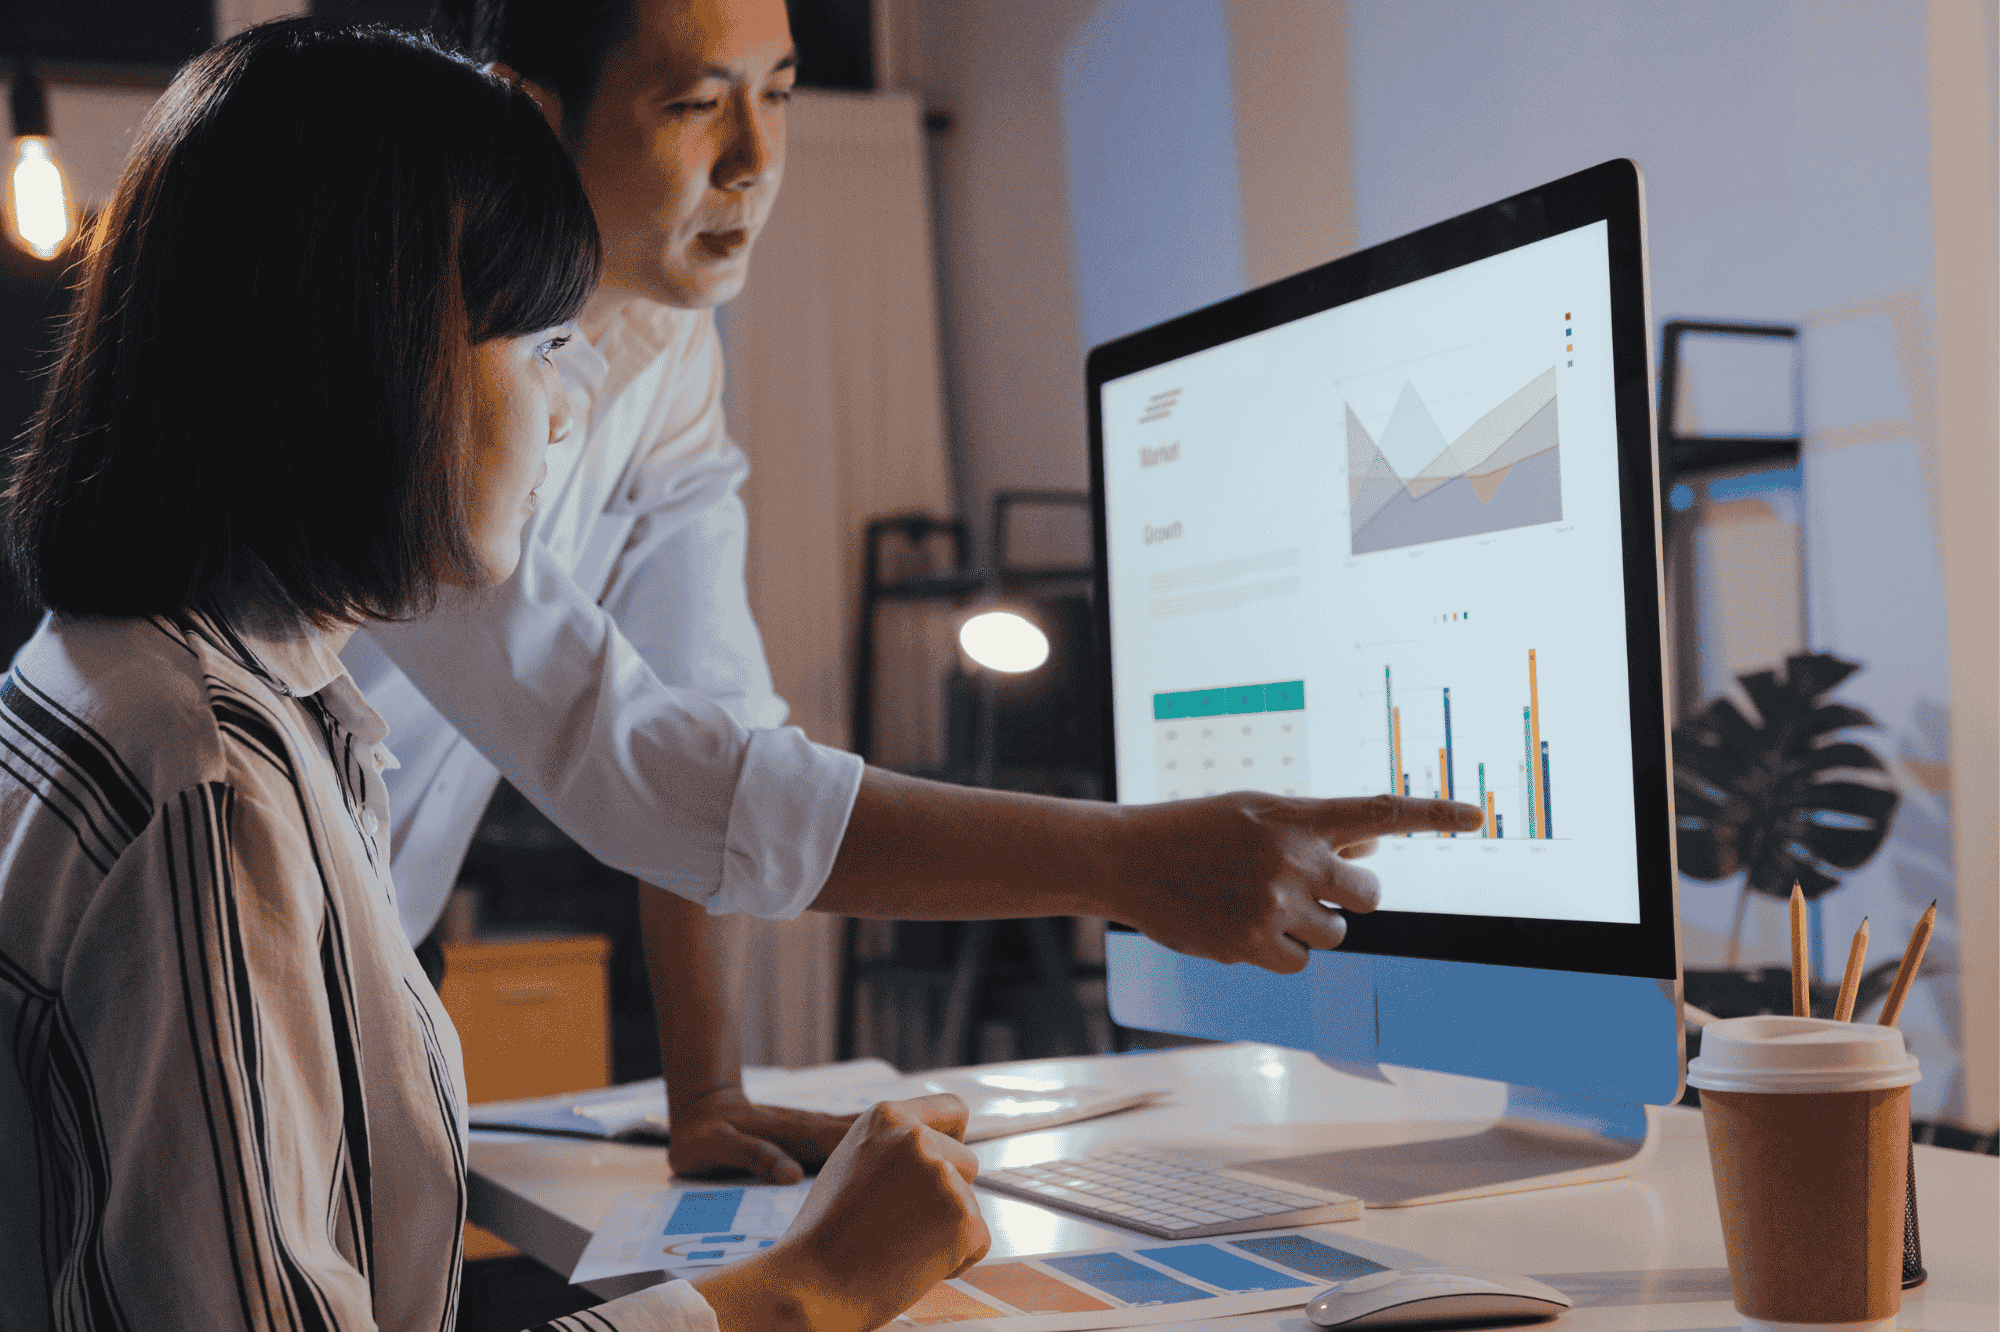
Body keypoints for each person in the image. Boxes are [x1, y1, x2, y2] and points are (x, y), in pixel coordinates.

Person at [374, 0, 1484, 1185]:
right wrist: (1116, 861)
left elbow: (712, 713)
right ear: (532, 110)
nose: (755, 159)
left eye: (781, 93)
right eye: (696, 105)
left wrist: (710, 1098)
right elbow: (637, 762)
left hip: (377, 940)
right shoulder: (396, 333)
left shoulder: (669, 346)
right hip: (222, 903)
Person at [0, 22, 986, 1332]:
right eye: (534, 352)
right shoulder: (215, 793)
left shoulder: (119, 674)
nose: (569, 410)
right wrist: (801, 1290)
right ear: (366, 357)